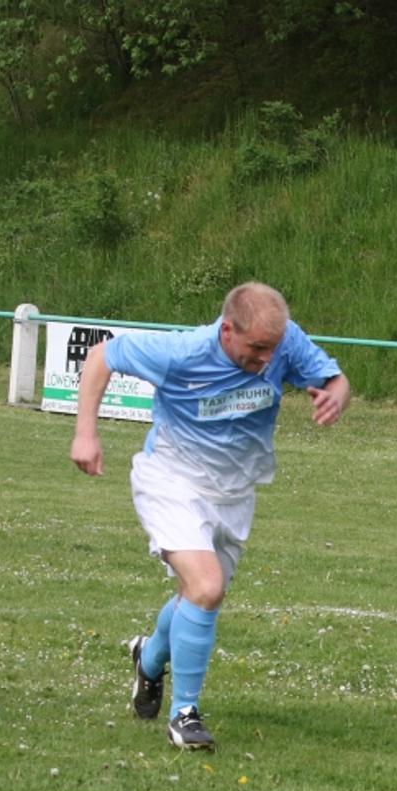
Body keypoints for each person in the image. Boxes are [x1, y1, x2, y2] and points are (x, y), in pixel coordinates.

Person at [70, 282, 349, 750]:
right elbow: (102, 356)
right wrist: (85, 433)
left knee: (196, 596)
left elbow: (335, 378)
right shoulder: (180, 352)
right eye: (256, 348)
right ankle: (185, 715)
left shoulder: (284, 340)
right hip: (172, 477)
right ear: (227, 330)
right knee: (206, 587)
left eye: (273, 348)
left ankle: (149, 659)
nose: (268, 359)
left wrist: (337, 395)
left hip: (234, 492)